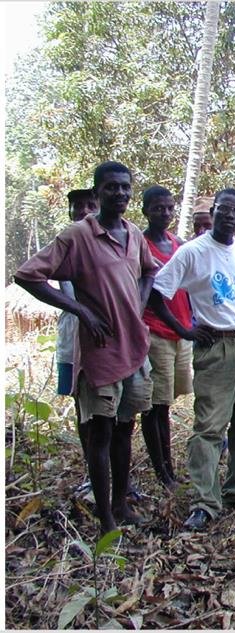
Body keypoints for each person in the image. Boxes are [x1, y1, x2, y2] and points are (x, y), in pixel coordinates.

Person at [15, 161, 158, 534]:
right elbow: (28, 274)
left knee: (126, 427)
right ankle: (106, 518)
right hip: (99, 350)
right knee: (100, 431)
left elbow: (149, 271)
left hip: (134, 347)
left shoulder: (134, 234)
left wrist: (139, 305)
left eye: (126, 187)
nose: (121, 194)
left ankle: (121, 503)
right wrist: (79, 309)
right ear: (98, 194)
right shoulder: (77, 236)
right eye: (112, 188)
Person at [149, 188, 235, 531]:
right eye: (224, 210)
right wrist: (185, 330)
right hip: (215, 345)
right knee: (209, 426)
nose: (230, 216)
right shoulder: (193, 252)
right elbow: (157, 293)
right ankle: (205, 502)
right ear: (214, 211)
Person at [140, 186, 193, 492]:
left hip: (181, 333)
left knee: (167, 403)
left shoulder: (179, 245)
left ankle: (169, 468)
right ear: (146, 210)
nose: (165, 213)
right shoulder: (140, 245)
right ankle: (164, 473)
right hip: (155, 331)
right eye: (158, 208)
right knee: (155, 406)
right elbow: (151, 297)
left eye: (169, 208)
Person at [55, 189, 99, 472]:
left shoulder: (115, 241)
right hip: (73, 333)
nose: (83, 210)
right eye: (77, 205)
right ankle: (89, 469)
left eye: (89, 205)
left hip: (105, 335)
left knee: (110, 409)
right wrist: (79, 310)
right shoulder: (65, 242)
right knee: (82, 406)